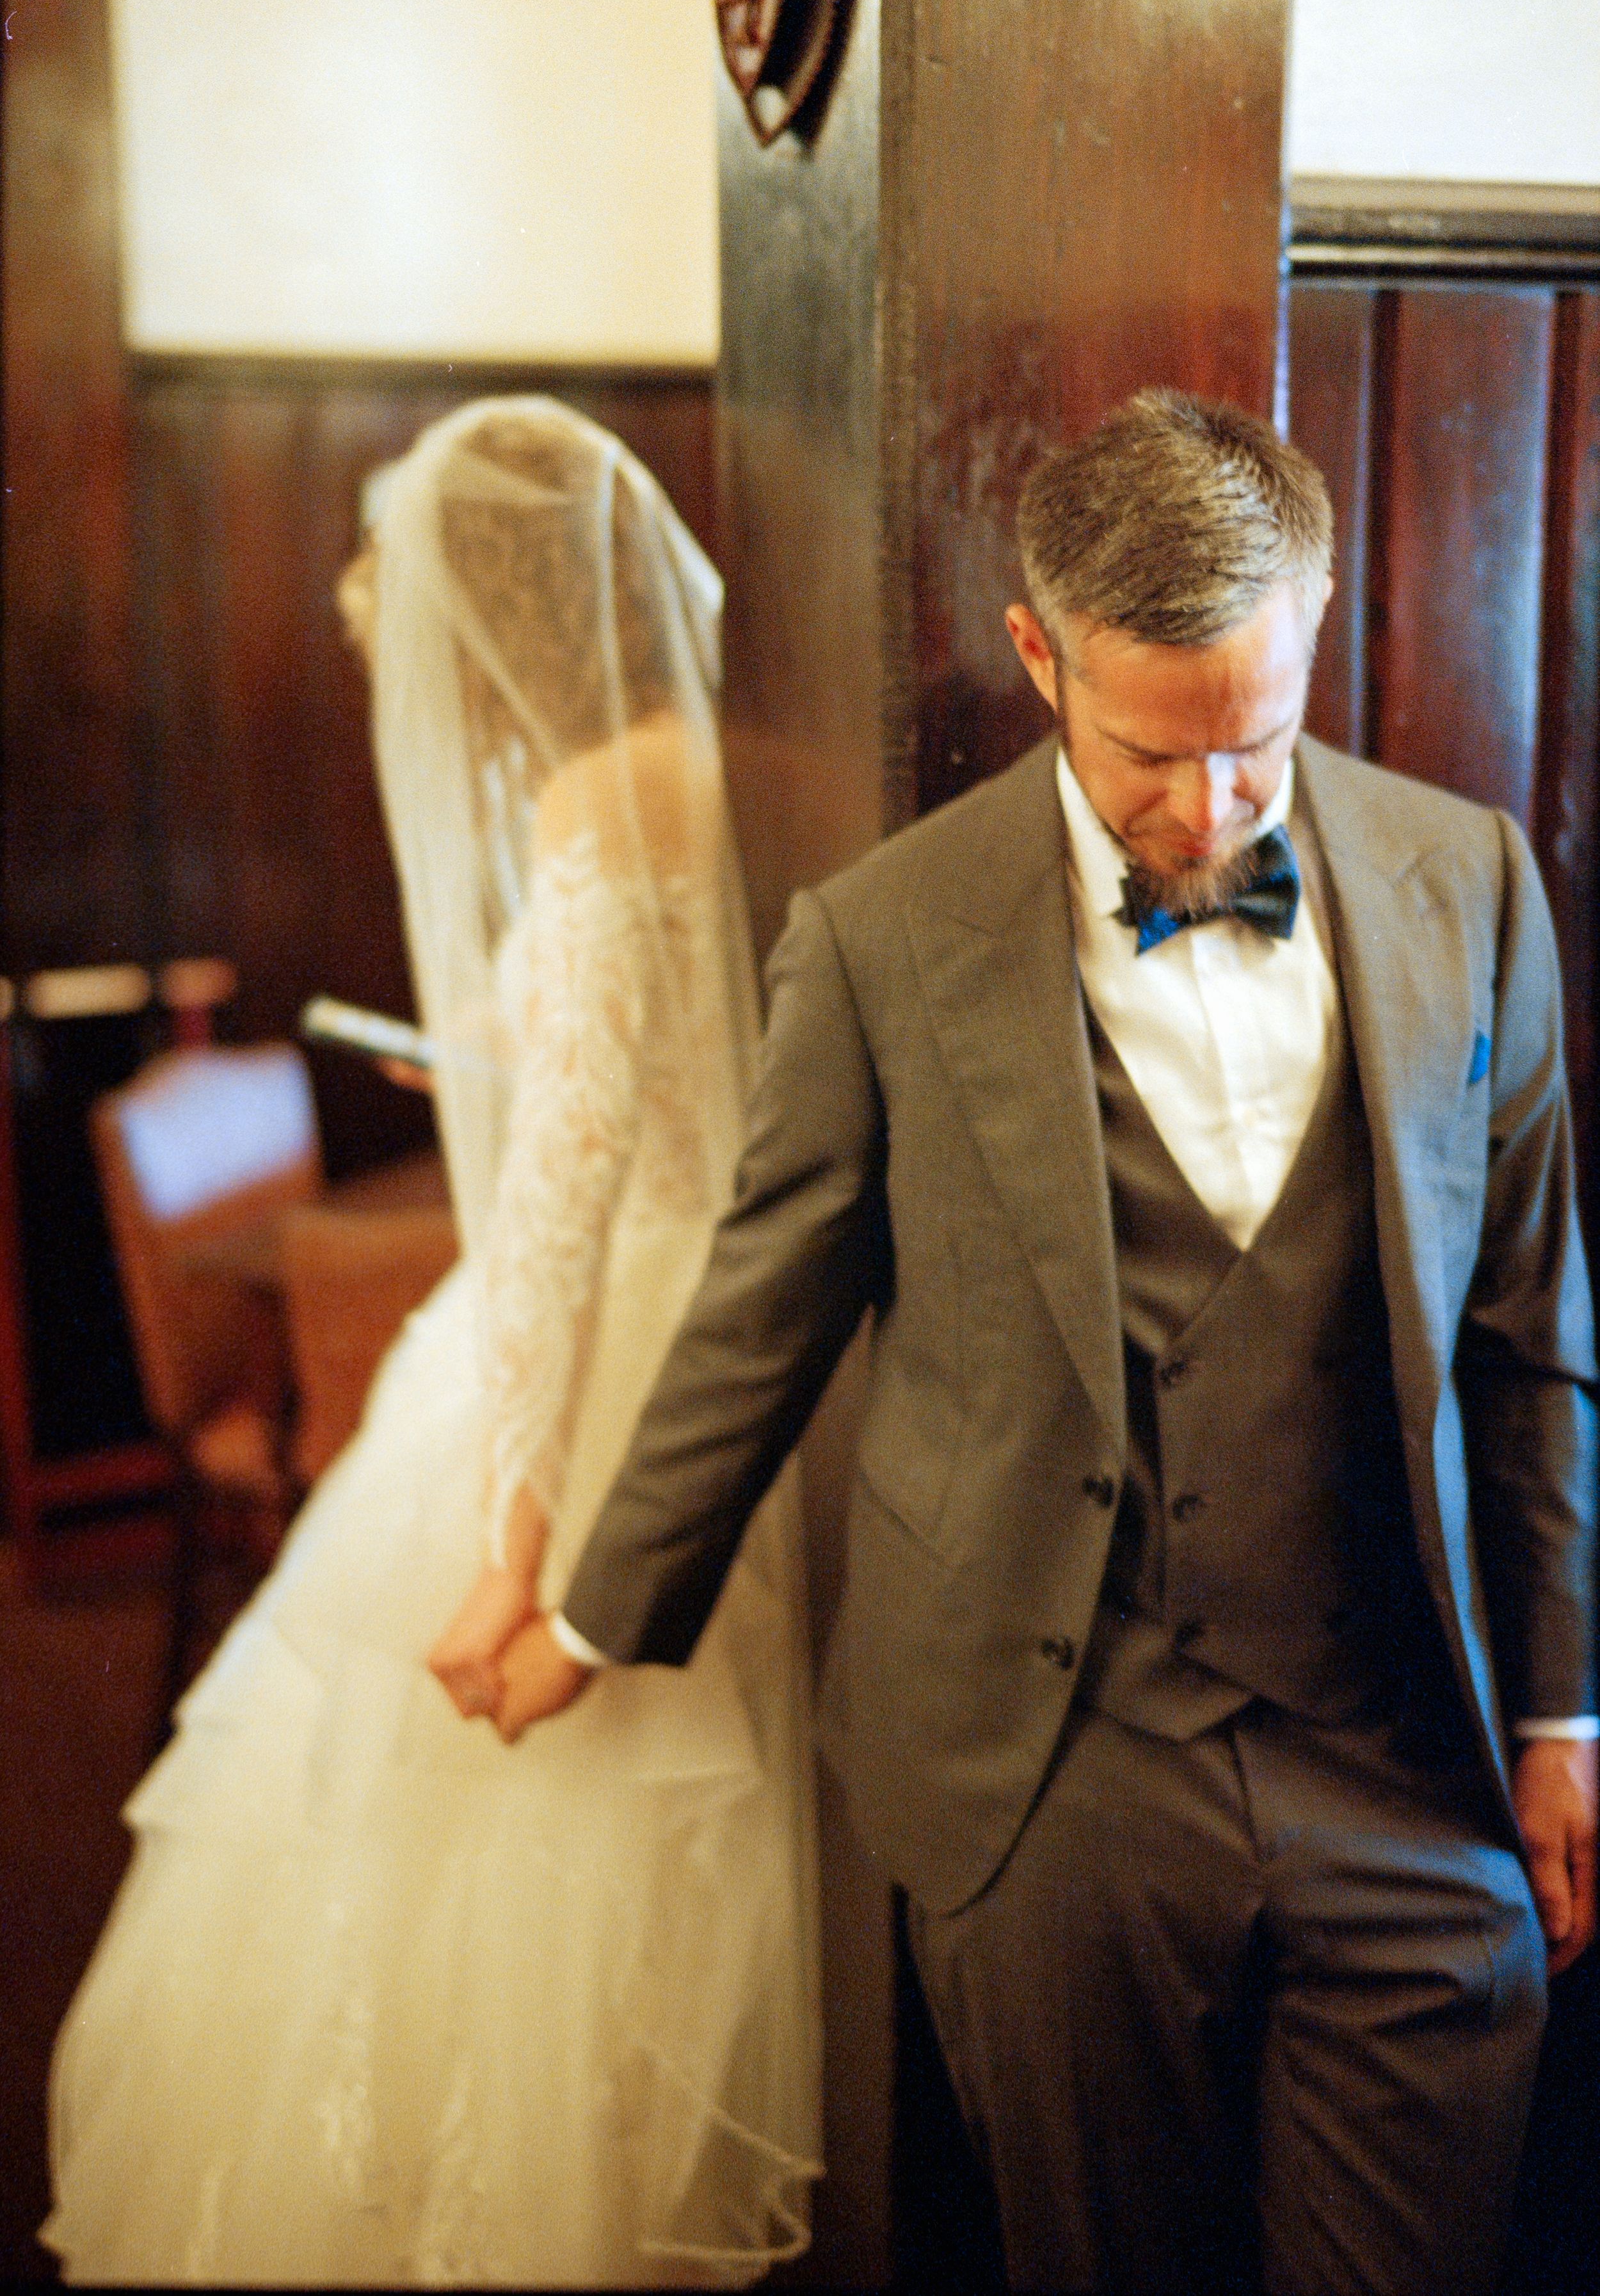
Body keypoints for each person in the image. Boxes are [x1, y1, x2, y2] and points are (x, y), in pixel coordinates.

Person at [508, 389, 1597, 2294]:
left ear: (1318, 620)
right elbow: (759, 1308)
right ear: (1037, 658)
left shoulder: (1469, 883)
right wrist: (593, 1613)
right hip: (1056, 1767)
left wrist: (1561, 1707)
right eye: (1145, 756)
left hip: (1406, 1759)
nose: (1204, 813)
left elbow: (1529, 1332)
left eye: (1253, 750)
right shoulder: (878, 938)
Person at [44, 398, 820, 2288]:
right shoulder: (715, 751)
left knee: (488, 1855)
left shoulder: (597, 795)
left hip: (611, 1338)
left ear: (501, 629)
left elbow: (553, 1215)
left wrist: (516, 1547)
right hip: (718, 1317)